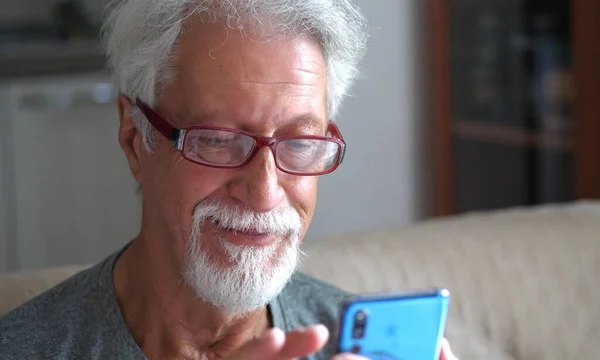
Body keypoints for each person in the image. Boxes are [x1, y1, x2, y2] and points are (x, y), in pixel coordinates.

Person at [0, 1, 458, 359]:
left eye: (299, 142)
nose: (264, 193)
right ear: (134, 138)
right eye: (218, 140)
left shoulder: (349, 343)